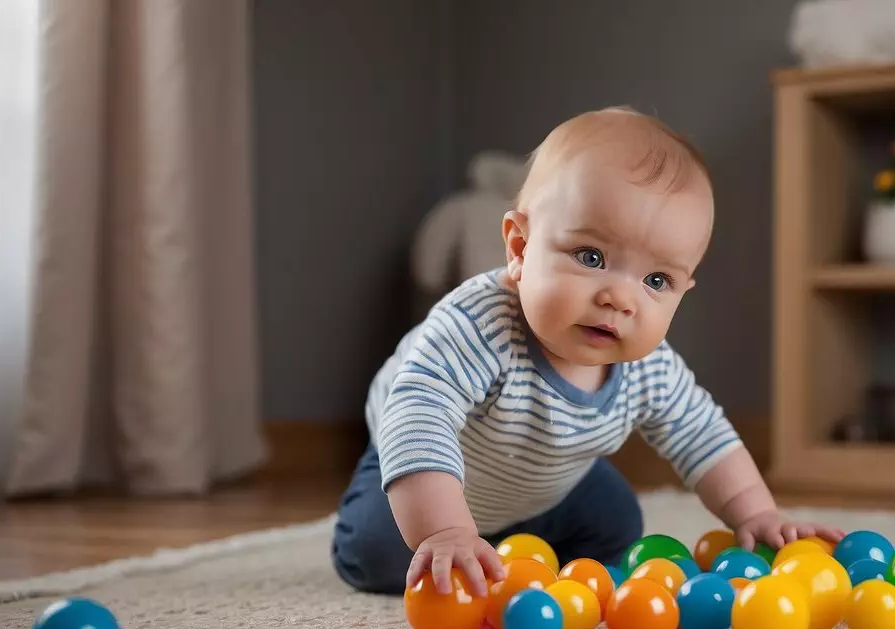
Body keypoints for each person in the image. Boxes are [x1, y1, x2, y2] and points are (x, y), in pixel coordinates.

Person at [331, 106, 844, 597]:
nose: (619, 298)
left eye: (656, 279)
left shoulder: (650, 365)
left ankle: (506, 546)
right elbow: (417, 416)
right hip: (424, 465)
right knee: (379, 552)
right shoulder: (478, 325)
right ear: (519, 249)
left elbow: (703, 434)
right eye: (591, 256)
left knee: (617, 525)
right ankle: (461, 538)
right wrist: (441, 531)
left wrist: (757, 515)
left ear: (683, 290)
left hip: (548, 480)